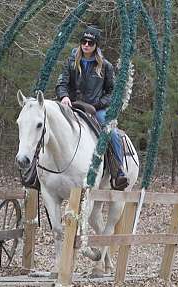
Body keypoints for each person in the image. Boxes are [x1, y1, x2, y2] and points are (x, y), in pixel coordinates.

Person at [56, 26, 127, 186]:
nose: (86, 45)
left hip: (97, 109)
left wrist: (98, 104)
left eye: (90, 42)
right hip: (72, 105)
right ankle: (38, 171)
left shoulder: (105, 66)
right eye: (83, 41)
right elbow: (62, 83)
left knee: (112, 132)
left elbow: (112, 92)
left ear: (96, 45)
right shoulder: (70, 62)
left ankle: (118, 171)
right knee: (46, 123)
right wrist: (64, 96)